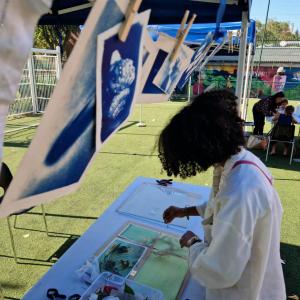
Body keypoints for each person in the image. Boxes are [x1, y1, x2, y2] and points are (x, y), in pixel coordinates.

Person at [159, 90, 286, 300]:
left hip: (244, 291)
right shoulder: (238, 161)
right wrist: (184, 211)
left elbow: (219, 271)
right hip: (248, 274)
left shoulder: (241, 190)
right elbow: (218, 204)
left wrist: (193, 243)